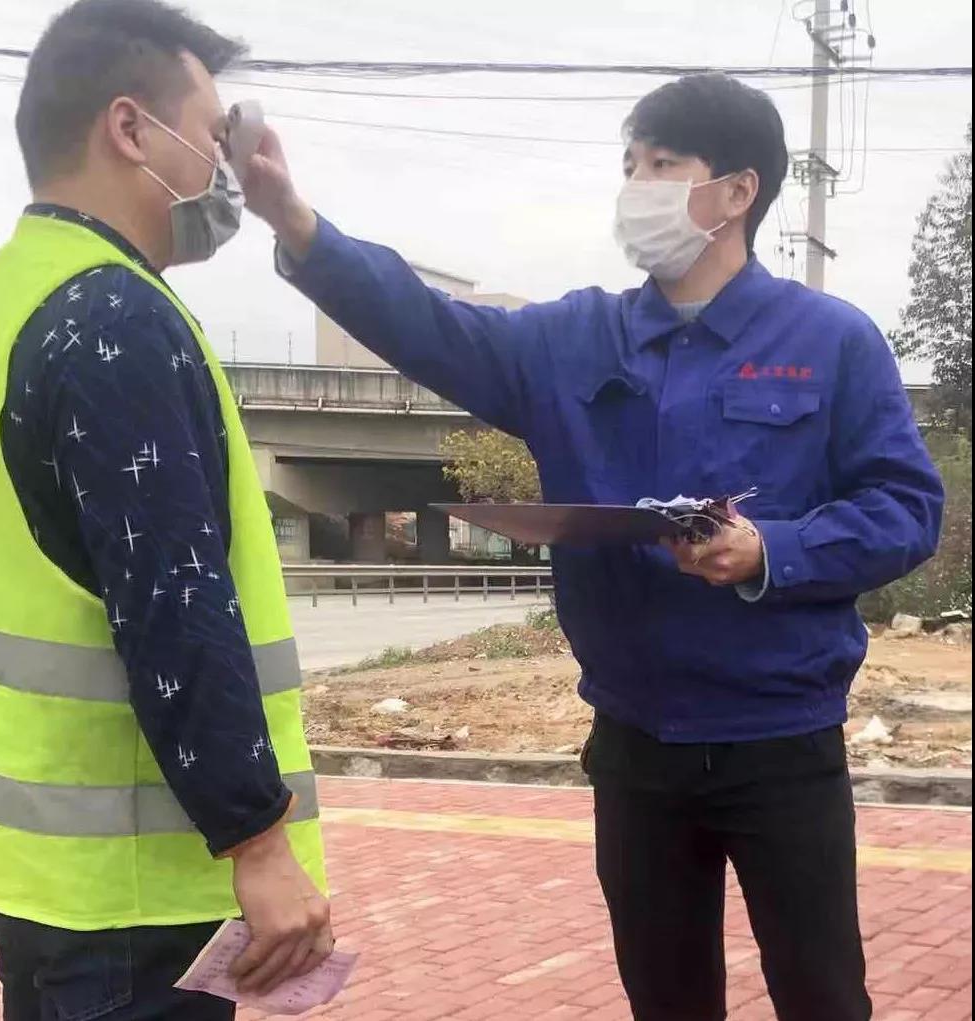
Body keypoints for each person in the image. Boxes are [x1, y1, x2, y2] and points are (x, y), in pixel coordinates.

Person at [243, 73, 944, 1021]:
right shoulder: (575, 338)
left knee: (822, 996)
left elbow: (906, 507)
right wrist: (296, 224)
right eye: (629, 166)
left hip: (781, 741)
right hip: (635, 747)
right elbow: (432, 325)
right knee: (665, 1000)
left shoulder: (830, 340)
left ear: (738, 190)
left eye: (662, 164)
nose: (636, 187)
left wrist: (771, 551)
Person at [0, 2, 333, 1018]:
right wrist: (259, 842)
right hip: (130, 899)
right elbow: (172, 606)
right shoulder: (116, 320)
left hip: (31, 870)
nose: (225, 170)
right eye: (214, 135)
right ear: (131, 128)